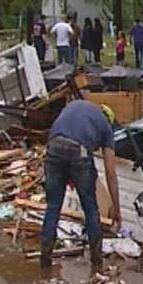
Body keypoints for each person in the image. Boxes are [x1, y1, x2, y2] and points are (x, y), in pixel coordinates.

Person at [40, 100, 122, 273]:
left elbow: (59, 134)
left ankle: (45, 260)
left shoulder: (76, 105)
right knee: (90, 207)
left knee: (53, 206)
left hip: (53, 146)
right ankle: (96, 262)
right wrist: (117, 208)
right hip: (79, 151)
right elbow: (110, 173)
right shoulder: (106, 128)